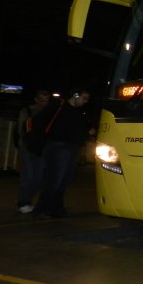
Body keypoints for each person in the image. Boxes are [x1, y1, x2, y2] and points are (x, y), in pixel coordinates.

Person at [33, 89, 96, 218]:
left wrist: (86, 132)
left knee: (64, 179)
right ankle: (42, 208)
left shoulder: (79, 112)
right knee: (56, 178)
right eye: (84, 98)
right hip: (59, 146)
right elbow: (44, 122)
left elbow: (76, 130)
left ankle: (56, 208)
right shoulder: (59, 106)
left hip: (72, 147)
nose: (85, 102)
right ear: (76, 95)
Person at [15, 89, 51, 213]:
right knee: (28, 177)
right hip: (27, 149)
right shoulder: (27, 111)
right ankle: (23, 203)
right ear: (36, 100)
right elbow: (22, 130)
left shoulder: (50, 114)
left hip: (41, 150)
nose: (44, 103)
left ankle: (26, 200)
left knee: (38, 179)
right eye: (42, 100)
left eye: (47, 101)